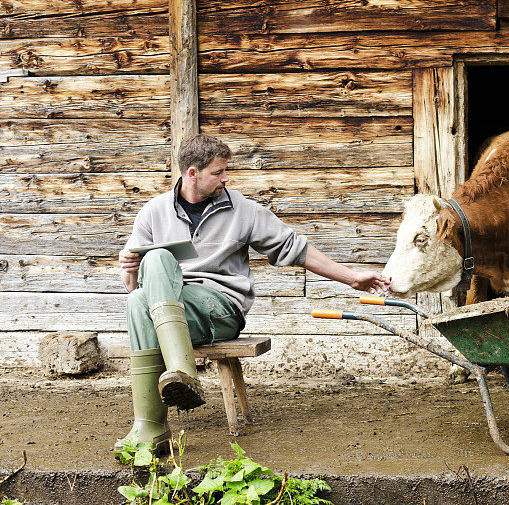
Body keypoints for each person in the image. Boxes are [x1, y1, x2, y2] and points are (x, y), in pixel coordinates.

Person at [116, 134, 391, 453]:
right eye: (218, 172)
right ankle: (153, 429)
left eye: (225, 171)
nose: (226, 178)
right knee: (144, 286)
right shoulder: (153, 212)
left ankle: (180, 377)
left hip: (219, 308)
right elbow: (134, 289)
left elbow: (295, 247)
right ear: (192, 173)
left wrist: (352, 278)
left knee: (158, 262)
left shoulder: (241, 210)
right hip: (171, 310)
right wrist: (129, 268)